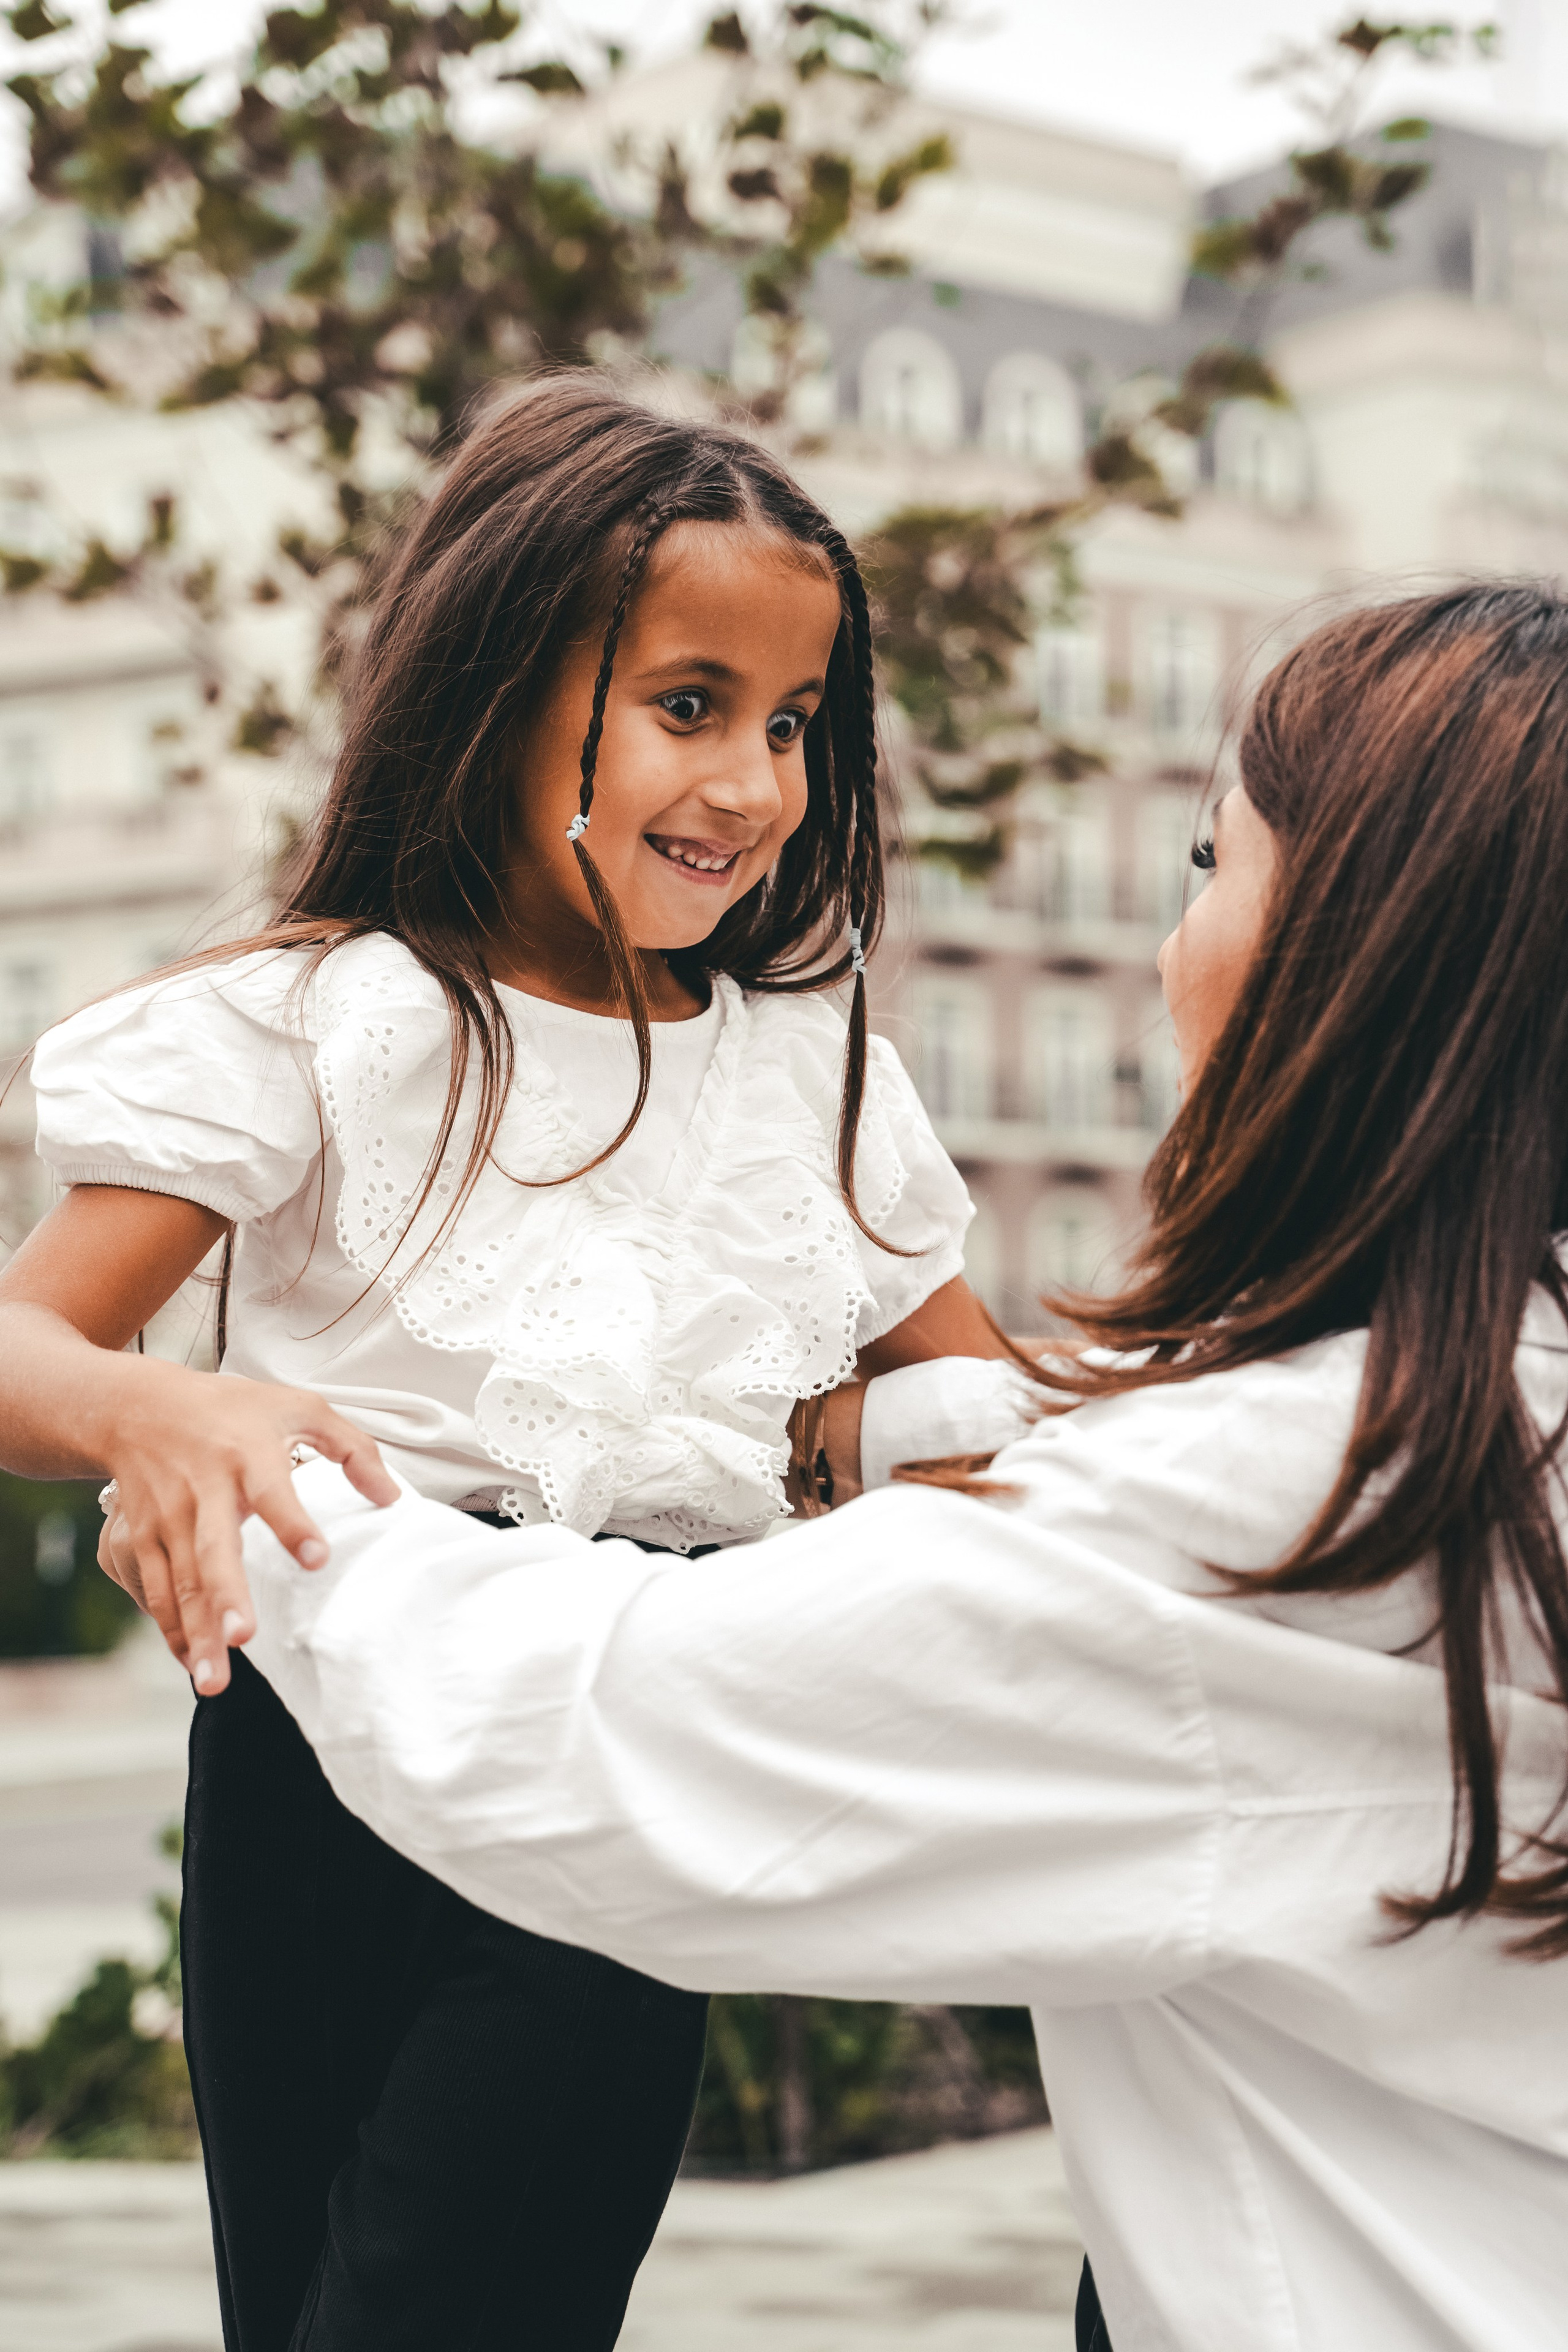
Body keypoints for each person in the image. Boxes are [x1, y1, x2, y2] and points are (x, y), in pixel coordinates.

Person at [140, 584, 1568, 2352]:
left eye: (1212, 862)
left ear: (1359, 957)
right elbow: (1061, 1454)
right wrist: (859, 1439)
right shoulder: (1451, 1430)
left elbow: (635, 1727)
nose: (1166, 946)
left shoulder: (1274, 1504)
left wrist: (247, 1493)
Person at [0, 379, 1038, 2352]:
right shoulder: (320, 1026)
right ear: (495, 684)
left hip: (621, 1759)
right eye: (689, 704)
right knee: (296, 2308)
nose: (752, 781)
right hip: (305, 1764)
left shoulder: (811, 1084)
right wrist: (160, 1404)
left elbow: (993, 1445)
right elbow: (23, 1342)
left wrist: (850, 1454)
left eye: (797, 725)